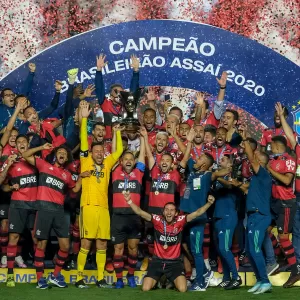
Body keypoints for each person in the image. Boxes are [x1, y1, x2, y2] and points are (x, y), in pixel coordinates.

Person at [123, 191, 215, 292]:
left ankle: (169, 280)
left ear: (176, 213)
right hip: (157, 261)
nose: (169, 212)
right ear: (163, 212)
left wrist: (209, 203)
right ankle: (160, 279)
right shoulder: (157, 220)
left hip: (174, 263)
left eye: (171, 210)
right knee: (145, 288)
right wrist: (129, 201)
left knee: (183, 289)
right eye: (166, 210)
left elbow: (197, 213)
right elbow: (140, 212)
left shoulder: (180, 220)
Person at [75, 102, 123, 289]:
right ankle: (79, 278)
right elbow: (84, 141)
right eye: (96, 151)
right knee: (86, 243)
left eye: (101, 151)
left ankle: (100, 278)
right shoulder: (85, 160)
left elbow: (118, 151)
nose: (99, 153)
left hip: (103, 209)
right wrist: (85, 118)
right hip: (88, 207)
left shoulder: (108, 163)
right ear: (91, 152)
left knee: (102, 244)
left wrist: (117, 132)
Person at [22, 143, 82, 289]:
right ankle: (40, 279)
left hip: (59, 211)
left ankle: (55, 276)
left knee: (65, 246)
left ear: (66, 158)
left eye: (65, 153)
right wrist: (42, 147)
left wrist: (81, 176)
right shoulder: (44, 165)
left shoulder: (67, 175)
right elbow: (25, 155)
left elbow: (75, 189)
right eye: (60, 152)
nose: (62, 154)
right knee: (41, 244)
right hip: (44, 209)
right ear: (55, 155)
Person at [179, 128, 230, 291]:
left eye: (200, 157)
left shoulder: (208, 175)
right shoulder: (193, 170)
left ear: (205, 164)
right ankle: (206, 272)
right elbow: (184, 153)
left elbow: (223, 171)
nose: (197, 157)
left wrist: (224, 169)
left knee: (196, 251)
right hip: (186, 216)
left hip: (198, 219)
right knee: (186, 247)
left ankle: (200, 283)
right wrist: (186, 140)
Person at [235, 129, 273, 294]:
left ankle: (266, 282)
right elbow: (244, 188)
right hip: (252, 216)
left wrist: (244, 139)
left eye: (256, 159)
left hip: (260, 216)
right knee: (250, 250)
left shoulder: (264, 174)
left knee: (256, 249)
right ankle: (259, 280)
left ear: (261, 162)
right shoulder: (255, 179)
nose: (252, 162)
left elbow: (251, 158)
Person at [111, 130, 145, 288]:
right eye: (125, 159)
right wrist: (115, 134)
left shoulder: (138, 173)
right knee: (118, 249)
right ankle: (119, 279)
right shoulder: (115, 172)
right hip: (118, 217)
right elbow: (113, 152)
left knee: (133, 249)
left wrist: (143, 139)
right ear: (121, 161)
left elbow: (143, 155)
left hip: (134, 216)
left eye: (131, 159)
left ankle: (130, 275)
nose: (129, 161)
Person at [4, 134, 39, 287]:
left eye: (24, 141)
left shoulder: (35, 160)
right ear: (16, 146)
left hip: (34, 205)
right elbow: (2, 184)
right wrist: (11, 186)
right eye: (19, 142)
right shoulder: (12, 162)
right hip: (17, 205)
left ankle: (40, 275)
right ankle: (10, 275)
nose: (22, 144)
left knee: (37, 238)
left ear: (28, 144)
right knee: (14, 238)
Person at [267, 135, 300, 287]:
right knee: (265, 231)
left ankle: (295, 271)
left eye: (271, 145)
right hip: (274, 202)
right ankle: (282, 255)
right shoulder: (273, 160)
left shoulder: (289, 160)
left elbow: (287, 180)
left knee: (284, 238)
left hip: (286, 203)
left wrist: (269, 169)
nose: (269, 147)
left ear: (277, 145)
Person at [213, 155, 242, 290]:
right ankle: (226, 278)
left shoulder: (233, 177)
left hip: (228, 216)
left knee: (225, 248)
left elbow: (230, 186)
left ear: (230, 165)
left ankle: (236, 277)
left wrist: (215, 176)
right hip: (218, 216)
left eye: (223, 160)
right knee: (221, 250)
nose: (220, 161)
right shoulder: (218, 178)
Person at [95, 54, 140, 139]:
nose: (119, 94)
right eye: (116, 92)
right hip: (109, 141)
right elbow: (99, 87)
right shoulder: (105, 104)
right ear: (111, 96)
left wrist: (136, 71)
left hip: (125, 141)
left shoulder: (127, 105)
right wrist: (99, 70)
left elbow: (134, 90)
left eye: (121, 92)